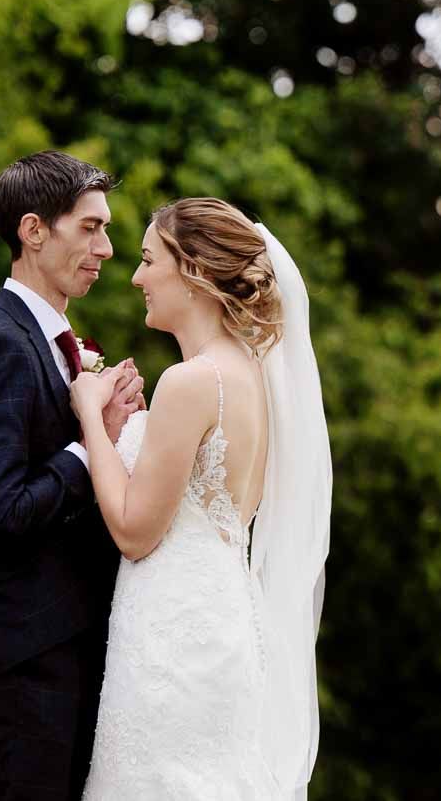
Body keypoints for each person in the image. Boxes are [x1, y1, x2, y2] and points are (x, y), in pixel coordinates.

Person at [72, 198, 331, 800]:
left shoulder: (191, 383)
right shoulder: (252, 378)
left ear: (191, 271)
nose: (135, 278)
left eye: (146, 260)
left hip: (171, 631)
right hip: (221, 621)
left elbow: (136, 532)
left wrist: (90, 417)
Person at [0, 151, 145, 801]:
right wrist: (95, 445)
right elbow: (5, 510)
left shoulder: (60, 343)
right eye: (90, 227)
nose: (108, 246)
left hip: (78, 641)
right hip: (32, 651)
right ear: (34, 230)